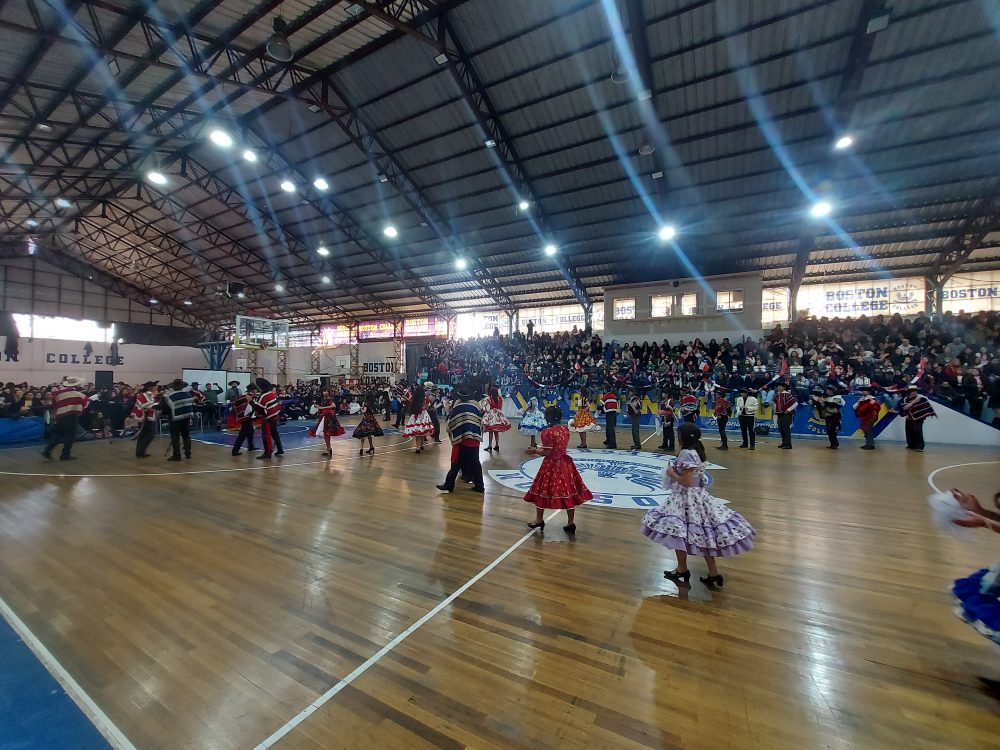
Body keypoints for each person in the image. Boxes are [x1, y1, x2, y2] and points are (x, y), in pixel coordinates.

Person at [640, 422, 756, 588]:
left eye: (678, 434)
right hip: (698, 497)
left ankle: (682, 569)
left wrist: (671, 473)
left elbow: (686, 482)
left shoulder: (686, 454)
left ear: (683, 437)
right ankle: (713, 573)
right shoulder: (697, 452)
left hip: (685, 499)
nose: (677, 437)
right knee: (704, 537)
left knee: (677, 533)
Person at [523, 406, 593, 534]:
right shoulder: (564, 430)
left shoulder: (547, 432)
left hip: (551, 466)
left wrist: (534, 450)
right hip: (565, 464)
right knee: (569, 492)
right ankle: (570, 522)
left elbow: (547, 452)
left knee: (541, 490)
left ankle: (539, 520)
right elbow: (557, 447)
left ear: (548, 417)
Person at [436, 383, 485, 493]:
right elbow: (480, 422)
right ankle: (479, 485)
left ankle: (449, 484)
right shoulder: (474, 406)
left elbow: (451, 423)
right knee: (475, 463)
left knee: (457, 462)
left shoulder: (458, 407)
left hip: (463, 440)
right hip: (475, 439)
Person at [42, 376, 87, 461]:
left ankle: (47, 451)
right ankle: (65, 455)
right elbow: (85, 401)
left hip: (60, 416)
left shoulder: (59, 393)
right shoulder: (77, 394)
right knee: (71, 436)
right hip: (71, 416)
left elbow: (55, 403)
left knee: (59, 435)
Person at [163, 378, 195, 462]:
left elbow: (166, 408)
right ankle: (188, 453)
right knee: (186, 435)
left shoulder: (170, 396)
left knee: (175, 436)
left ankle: (177, 455)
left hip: (176, 419)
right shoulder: (188, 394)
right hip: (187, 417)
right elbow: (192, 405)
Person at [254, 378, 284, 460]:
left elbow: (259, 408)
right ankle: (280, 449)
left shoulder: (263, 395)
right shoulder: (271, 394)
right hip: (274, 417)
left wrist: (252, 403)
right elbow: (275, 406)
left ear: (260, 387)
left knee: (266, 435)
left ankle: (267, 452)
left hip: (267, 419)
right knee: (275, 434)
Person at [899, 384, 935, 452]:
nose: (915, 392)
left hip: (919, 418)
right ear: (910, 392)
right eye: (913, 391)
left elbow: (925, 407)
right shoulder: (905, 399)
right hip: (909, 417)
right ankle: (911, 445)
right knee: (909, 431)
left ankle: (920, 446)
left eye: (916, 391)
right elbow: (904, 408)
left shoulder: (921, 398)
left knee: (918, 431)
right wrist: (914, 402)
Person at [309, 392, 345, 457]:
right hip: (324, 416)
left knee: (326, 432)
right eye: (324, 391)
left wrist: (322, 408)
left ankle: (329, 448)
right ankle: (328, 448)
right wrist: (317, 407)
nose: (324, 392)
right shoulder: (323, 399)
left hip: (329, 417)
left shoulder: (329, 399)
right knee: (325, 433)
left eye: (326, 391)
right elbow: (320, 407)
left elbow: (333, 405)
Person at [403, 383, 434, 453]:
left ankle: (417, 447)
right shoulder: (426, 399)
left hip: (415, 414)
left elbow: (410, 404)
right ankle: (421, 445)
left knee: (417, 431)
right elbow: (427, 407)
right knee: (422, 430)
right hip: (423, 415)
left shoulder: (413, 398)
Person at [131, 380, 158, 458]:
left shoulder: (144, 395)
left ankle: (140, 451)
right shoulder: (148, 395)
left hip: (144, 417)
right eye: (154, 386)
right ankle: (141, 450)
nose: (155, 387)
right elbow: (149, 405)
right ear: (150, 387)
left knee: (143, 435)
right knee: (150, 435)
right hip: (147, 418)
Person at [481, 384, 511, 452]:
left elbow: (483, 405)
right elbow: (500, 408)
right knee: (496, 432)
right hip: (498, 414)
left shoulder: (489, 399)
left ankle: (490, 445)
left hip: (491, 415)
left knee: (490, 431)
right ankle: (497, 445)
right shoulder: (500, 399)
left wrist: (486, 410)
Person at [231, 383, 257, 456]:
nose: (256, 391)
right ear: (253, 389)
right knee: (243, 434)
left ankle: (251, 446)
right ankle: (235, 450)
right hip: (246, 417)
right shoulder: (250, 396)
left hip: (245, 416)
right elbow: (252, 405)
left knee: (250, 431)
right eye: (255, 389)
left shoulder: (244, 395)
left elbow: (237, 403)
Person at [853, 384, 880, 450]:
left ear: (869, 392)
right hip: (865, 417)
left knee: (868, 430)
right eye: (862, 391)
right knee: (866, 430)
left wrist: (871, 403)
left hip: (871, 416)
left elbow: (876, 407)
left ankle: (870, 445)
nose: (863, 392)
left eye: (864, 390)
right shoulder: (862, 399)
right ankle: (868, 444)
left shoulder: (872, 399)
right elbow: (854, 407)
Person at [772, 380, 797, 449]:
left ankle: (788, 444)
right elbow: (775, 404)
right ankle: (784, 443)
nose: (779, 387)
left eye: (780, 386)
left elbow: (795, 403)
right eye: (778, 386)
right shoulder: (778, 395)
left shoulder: (787, 394)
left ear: (784, 387)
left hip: (786, 414)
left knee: (786, 429)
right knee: (781, 428)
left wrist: (788, 410)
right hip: (779, 414)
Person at [735, 386, 758, 450]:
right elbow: (737, 406)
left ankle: (752, 445)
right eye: (741, 392)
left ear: (747, 393)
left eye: (743, 392)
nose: (742, 394)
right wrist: (738, 412)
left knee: (751, 431)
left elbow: (756, 408)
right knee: (743, 431)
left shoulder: (753, 399)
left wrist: (747, 408)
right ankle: (745, 443)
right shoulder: (739, 399)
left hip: (750, 416)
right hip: (741, 416)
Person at [601, 384, 619, 449]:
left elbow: (602, 404)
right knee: (609, 427)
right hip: (613, 413)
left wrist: (600, 409)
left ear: (606, 389)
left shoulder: (607, 396)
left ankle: (612, 444)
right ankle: (608, 440)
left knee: (610, 428)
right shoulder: (613, 395)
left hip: (609, 413)